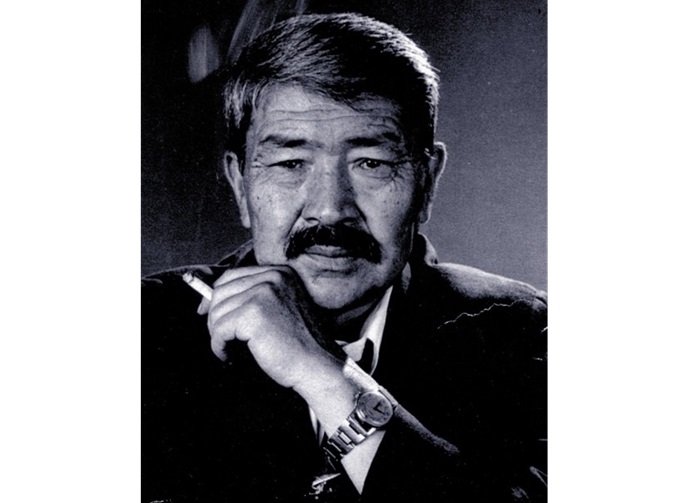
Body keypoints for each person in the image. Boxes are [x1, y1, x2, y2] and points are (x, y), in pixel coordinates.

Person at [142, 12, 547, 503]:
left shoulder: (525, 334)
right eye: (291, 163)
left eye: (370, 163)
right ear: (240, 185)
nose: (331, 208)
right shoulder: (145, 332)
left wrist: (322, 373)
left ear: (426, 184)